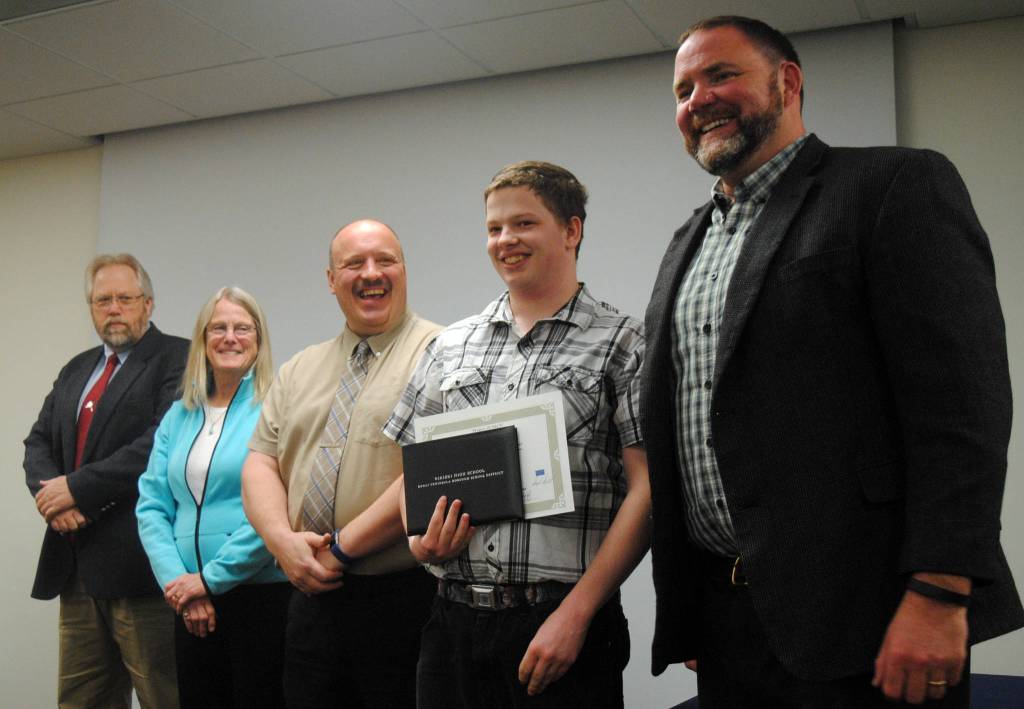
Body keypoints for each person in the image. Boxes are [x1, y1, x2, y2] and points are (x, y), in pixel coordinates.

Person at [642, 15, 1024, 708]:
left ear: (786, 82)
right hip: (731, 625)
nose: (697, 100)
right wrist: (690, 606)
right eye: (682, 88)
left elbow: (962, 408)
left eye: (721, 75)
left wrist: (940, 590)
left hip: (873, 620)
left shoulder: (891, 185)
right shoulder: (686, 243)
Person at [381, 161, 651, 708]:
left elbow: (650, 490)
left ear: (571, 230)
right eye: (494, 228)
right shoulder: (448, 347)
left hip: (563, 624)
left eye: (523, 224)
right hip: (451, 622)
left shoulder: (625, 343)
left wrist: (576, 613)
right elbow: (415, 475)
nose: (505, 240)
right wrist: (420, 544)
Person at [242, 219, 442, 708]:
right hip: (310, 599)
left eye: (384, 260)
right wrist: (282, 541)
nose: (370, 273)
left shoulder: (445, 352)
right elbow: (259, 462)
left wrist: (343, 551)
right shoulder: (299, 368)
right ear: (331, 279)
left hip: (402, 599)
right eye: (354, 263)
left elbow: (427, 469)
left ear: (405, 270)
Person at [24, 253, 188, 708]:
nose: (113, 309)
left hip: (142, 568)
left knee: (165, 695)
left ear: (148, 304)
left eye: (124, 298)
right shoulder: (77, 368)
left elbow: (158, 442)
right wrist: (52, 497)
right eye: (102, 301)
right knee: (80, 701)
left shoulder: (179, 357)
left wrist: (76, 490)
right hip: (75, 567)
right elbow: (37, 441)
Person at [136, 286, 290, 708]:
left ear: (259, 341)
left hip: (260, 598)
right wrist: (181, 587)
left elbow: (278, 510)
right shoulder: (178, 415)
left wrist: (210, 580)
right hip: (188, 603)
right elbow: (151, 505)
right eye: (218, 328)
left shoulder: (277, 408)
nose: (230, 337)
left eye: (243, 328)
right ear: (203, 340)